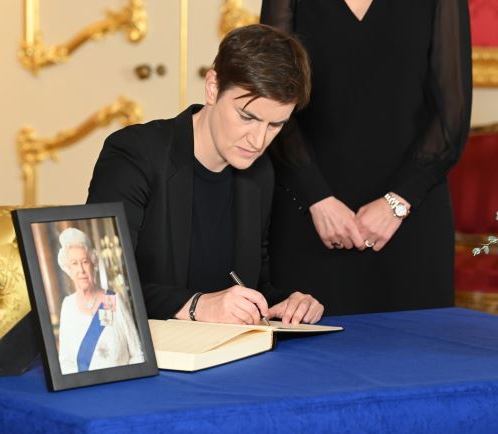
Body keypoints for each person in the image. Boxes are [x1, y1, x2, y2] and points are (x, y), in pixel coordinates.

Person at [87, 24, 324, 325]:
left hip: (224, 348)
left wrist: (288, 303)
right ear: (213, 87)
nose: (258, 141)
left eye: (275, 125)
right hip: (148, 345)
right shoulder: (135, 154)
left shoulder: (259, 172)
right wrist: (196, 306)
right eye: (247, 117)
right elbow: (101, 282)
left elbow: (253, 284)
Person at [261, 0, 472, 314]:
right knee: (307, 341)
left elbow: (451, 116)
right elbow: (271, 96)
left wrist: (398, 201)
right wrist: (316, 197)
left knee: (415, 341)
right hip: (308, 211)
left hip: (412, 214)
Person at [57, 227, 144, 375]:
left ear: (94, 264)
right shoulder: (68, 305)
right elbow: (65, 362)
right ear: (68, 270)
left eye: (85, 262)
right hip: (86, 387)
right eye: (74, 263)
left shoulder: (112, 300)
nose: (81, 270)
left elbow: (138, 354)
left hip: (121, 383)